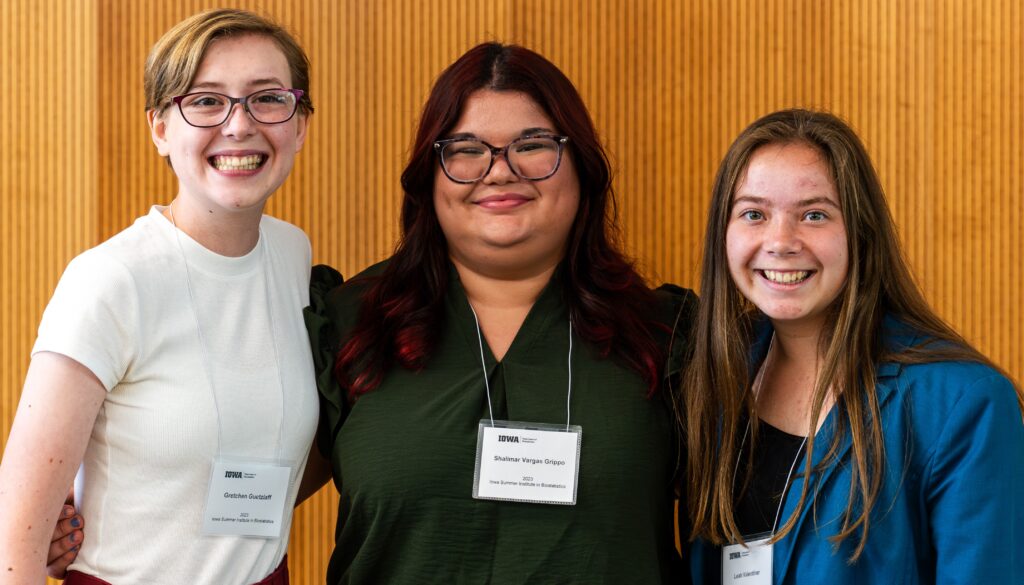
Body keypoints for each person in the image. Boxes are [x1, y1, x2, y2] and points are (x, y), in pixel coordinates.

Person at [304, 42, 696, 584]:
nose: (500, 171)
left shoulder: (667, 337)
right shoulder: (347, 326)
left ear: (581, 166)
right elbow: (230, 506)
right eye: (465, 148)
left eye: (533, 145)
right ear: (429, 176)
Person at [0, 9, 322, 584]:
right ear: (160, 129)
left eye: (267, 98)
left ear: (299, 124)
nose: (239, 125)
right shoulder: (110, 280)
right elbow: (15, 545)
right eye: (205, 100)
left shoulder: (293, 256)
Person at [680, 109, 1024, 583]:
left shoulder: (964, 404)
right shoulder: (710, 379)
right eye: (754, 214)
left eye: (814, 214)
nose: (780, 242)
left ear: (860, 232)